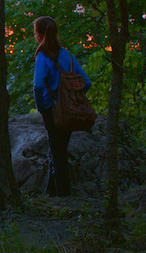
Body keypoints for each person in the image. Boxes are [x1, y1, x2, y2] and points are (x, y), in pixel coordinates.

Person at [32, 16, 91, 196]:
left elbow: (38, 85)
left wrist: (42, 106)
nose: (34, 35)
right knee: (59, 148)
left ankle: (62, 193)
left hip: (52, 109)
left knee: (57, 151)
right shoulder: (67, 55)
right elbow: (86, 82)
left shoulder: (43, 56)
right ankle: (51, 189)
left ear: (40, 35)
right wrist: (73, 99)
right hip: (70, 110)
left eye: (35, 32)